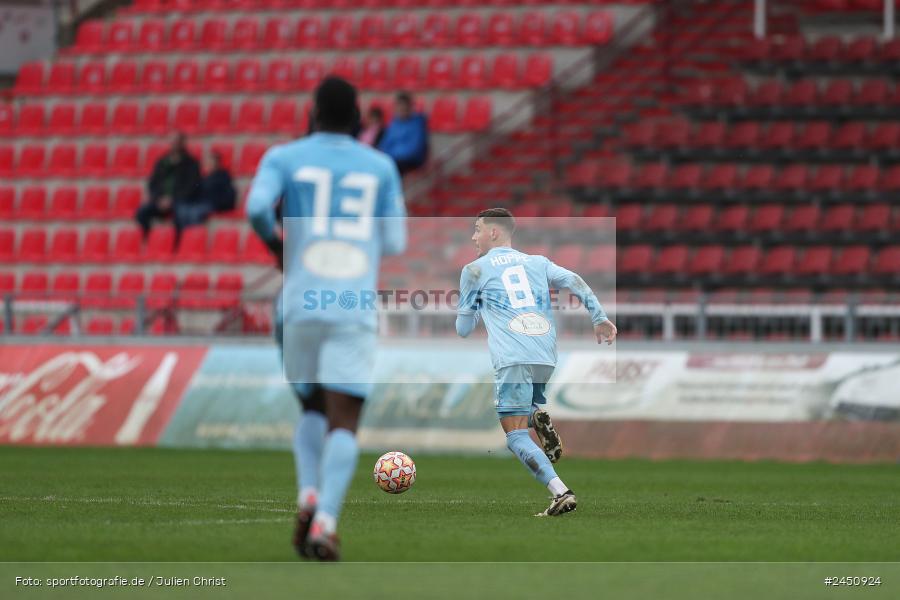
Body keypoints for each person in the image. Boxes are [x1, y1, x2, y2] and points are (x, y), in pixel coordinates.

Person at [246, 76, 407, 561]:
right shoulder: (380, 166)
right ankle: (326, 522)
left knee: (312, 409)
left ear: (313, 114)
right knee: (344, 420)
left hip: (298, 302)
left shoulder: (283, 156)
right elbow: (396, 240)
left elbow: (256, 208)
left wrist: (278, 246)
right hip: (350, 304)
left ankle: (307, 494)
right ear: (357, 117)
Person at [455, 208, 617, 517]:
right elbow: (574, 280)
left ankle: (560, 492)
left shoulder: (474, 270)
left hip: (513, 357)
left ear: (493, 232)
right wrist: (599, 317)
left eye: (477, 229)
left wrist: (475, 306)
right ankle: (536, 417)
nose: (473, 237)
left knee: (515, 435)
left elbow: (463, 329)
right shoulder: (537, 262)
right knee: (523, 412)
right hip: (545, 354)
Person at [135, 132, 202, 240]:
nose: (174, 144)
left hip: (180, 201)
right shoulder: (162, 162)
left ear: (182, 143)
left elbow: (193, 186)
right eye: (173, 142)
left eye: (177, 142)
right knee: (142, 213)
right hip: (160, 201)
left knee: (182, 215)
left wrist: (172, 199)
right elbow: (153, 184)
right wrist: (159, 199)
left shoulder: (191, 163)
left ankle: (178, 244)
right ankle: (147, 240)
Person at [174, 150, 237, 229]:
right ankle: (184, 234)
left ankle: (194, 233)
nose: (208, 164)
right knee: (182, 209)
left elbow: (226, 195)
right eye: (208, 162)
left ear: (217, 163)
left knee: (194, 212)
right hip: (200, 203)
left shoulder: (223, 176)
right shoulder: (203, 177)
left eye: (211, 162)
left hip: (213, 204)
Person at [377, 92, 428, 175]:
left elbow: (414, 150)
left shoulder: (417, 124)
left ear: (410, 108)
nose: (401, 110)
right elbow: (385, 144)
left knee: (390, 166)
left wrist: (390, 156)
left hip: (409, 160)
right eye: (399, 107)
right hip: (393, 158)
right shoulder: (394, 123)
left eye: (404, 108)